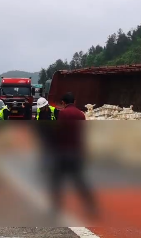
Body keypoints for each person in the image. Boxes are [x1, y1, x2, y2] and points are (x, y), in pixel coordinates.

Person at [47, 91, 97, 220]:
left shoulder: (63, 113)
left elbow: (59, 131)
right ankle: (91, 207)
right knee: (79, 181)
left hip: (64, 152)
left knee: (57, 181)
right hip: (77, 152)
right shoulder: (81, 114)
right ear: (74, 102)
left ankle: (55, 209)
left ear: (63, 102)